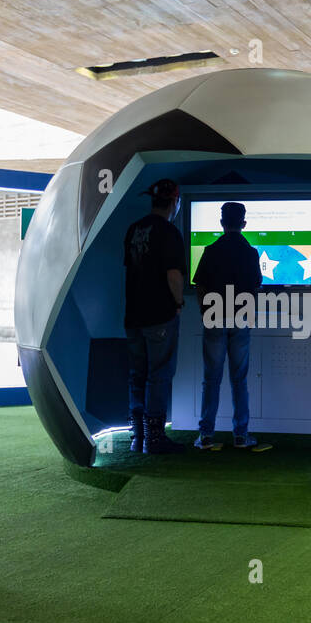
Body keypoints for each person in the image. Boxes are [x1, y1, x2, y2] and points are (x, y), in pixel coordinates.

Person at [192, 201, 271, 452]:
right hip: (241, 319)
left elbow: (200, 286)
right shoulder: (250, 252)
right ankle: (241, 436)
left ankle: (206, 436)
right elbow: (256, 285)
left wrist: (206, 311)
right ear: (244, 224)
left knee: (211, 379)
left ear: (221, 223)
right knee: (240, 379)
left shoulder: (210, 250)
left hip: (214, 317)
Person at [124, 178, 188, 453]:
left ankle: (138, 436)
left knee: (137, 375)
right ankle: (155, 439)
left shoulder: (134, 229)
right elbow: (173, 274)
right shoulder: (169, 232)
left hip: (133, 315)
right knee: (159, 376)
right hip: (160, 315)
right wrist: (178, 301)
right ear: (174, 202)